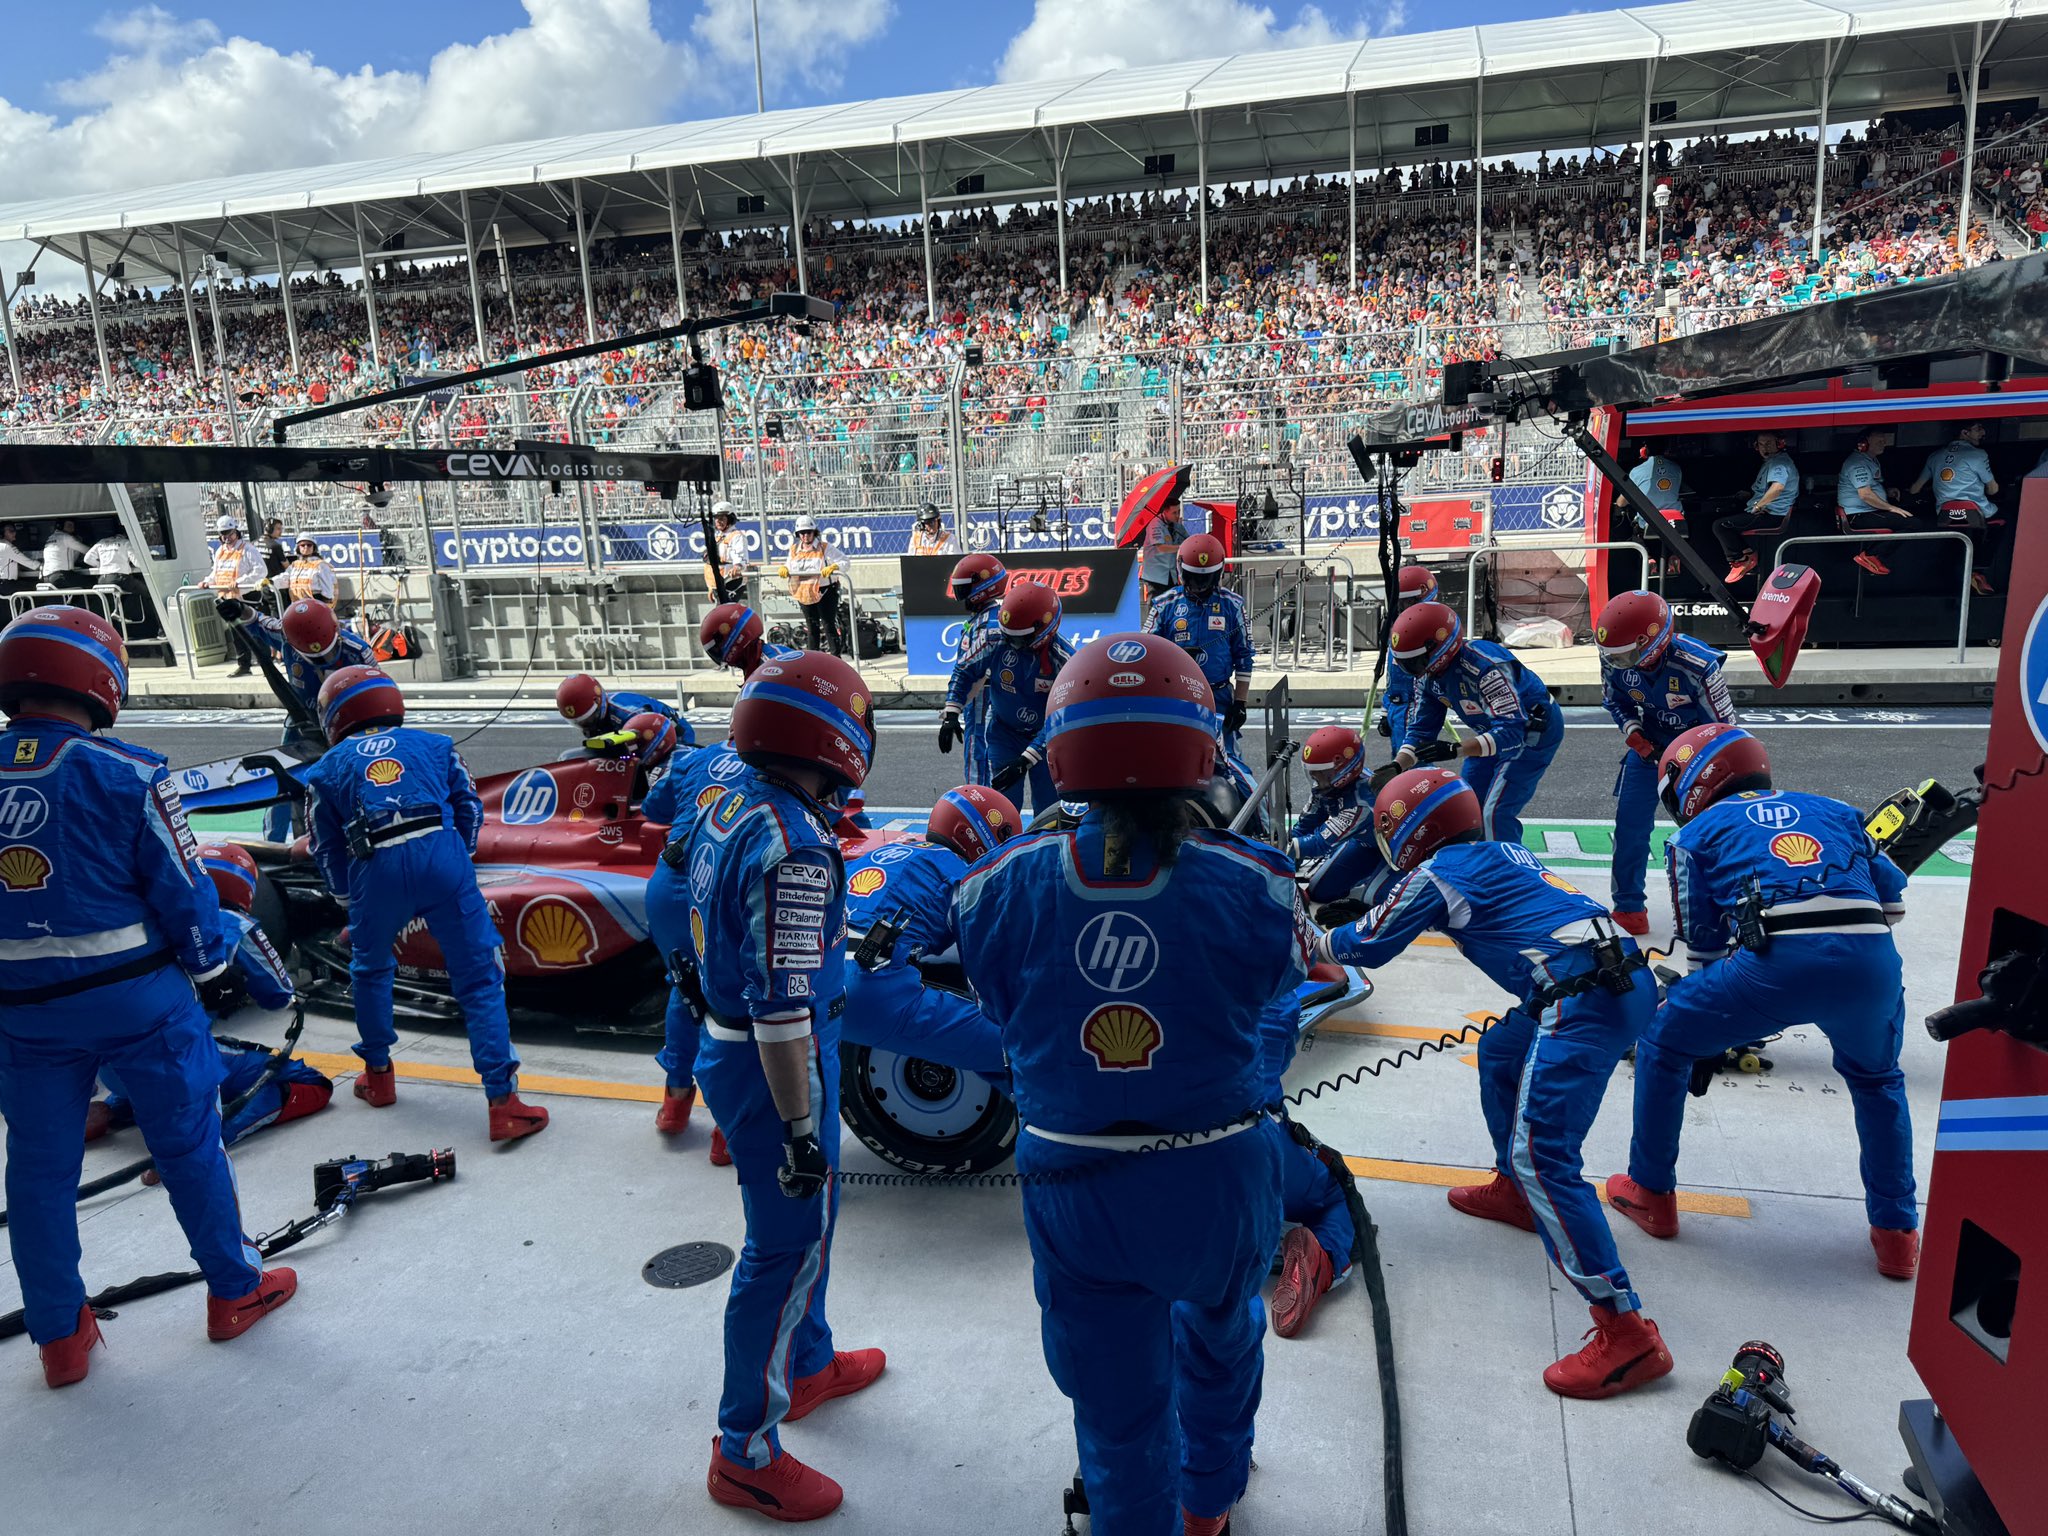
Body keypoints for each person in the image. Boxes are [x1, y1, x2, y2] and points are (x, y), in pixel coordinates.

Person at [951, 631, 1301, 1534]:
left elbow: (1000, 1010)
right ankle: (1211, 1504)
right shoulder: (1258, 882)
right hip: (1220, 1168)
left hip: (1071, 1177)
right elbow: (1281, 1002)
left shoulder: (992, 887)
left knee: (1112, 1403)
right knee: (1223, 1342)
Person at [0, 606, 297, 1387]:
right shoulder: (129, 773)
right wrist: (208, 965)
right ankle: (236, 1292)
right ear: (101, 679)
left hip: (21, 1014)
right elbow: (185, 893)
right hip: (138, 1001)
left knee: (36, 1172)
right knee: (190, 1146)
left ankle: (60, 1341)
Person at [1318, 767, 1670, 1399]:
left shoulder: (1438, 873)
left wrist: (1307, 936)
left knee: (1546, 1158)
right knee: (1501, 1054)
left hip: (1580, 1000)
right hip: (1615, 980)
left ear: (1410, 835)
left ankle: (1626, 1331)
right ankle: (1512, 1193)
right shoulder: (1503, 848)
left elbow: (1367, 942)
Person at [649, 649, 885, 1523]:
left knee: (811, 1231)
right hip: (771, 1057)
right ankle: (743, 1450)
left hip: (737, 1041)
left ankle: (809, 1362)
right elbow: (783, 1009)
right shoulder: (795, 846)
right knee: (781, 1249)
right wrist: (801, 1131)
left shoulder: (724, 792)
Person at [1606, 724, 1918, 1278]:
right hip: (1871, 962)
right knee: (1877, 1081)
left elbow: (1701, 945)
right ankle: (1896, 1234)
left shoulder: (1694, 834)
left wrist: (1707, 1020)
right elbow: (1893, 906)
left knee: (1662, 1042)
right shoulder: (1837, 810)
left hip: (1773, 964)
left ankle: (1651, 1193)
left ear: (1693, 781)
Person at [300, 665, 548, 1142]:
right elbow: (470, 808)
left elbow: (323, 846)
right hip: (442, 858)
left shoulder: (325, 769)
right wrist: (457, 859)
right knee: (478, 980)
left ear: (335, 715)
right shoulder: (436, 745)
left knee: (370, 971)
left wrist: (350, 903)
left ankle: (379, 1076)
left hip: (375, 870)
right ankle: (503, 1102)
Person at [90, 841, 333, 1152]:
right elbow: (278, 994)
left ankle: (116, 1108)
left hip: (110, 1064)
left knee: (149, 1048)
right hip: (175, 1060)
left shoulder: (144, 917)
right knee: (310, 1083)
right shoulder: (234, 924)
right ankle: (208, 1139)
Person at [840, 784, 1016, 1083]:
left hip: (813, 980)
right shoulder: (963, 875)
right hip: (872, 992)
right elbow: (993, 956)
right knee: (1025, 1048)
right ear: (968, 833)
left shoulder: (883, 850)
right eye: (1004, 835)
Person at [1593, 590, 1734, 937]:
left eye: (1625, 655)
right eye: (1611, 655)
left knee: (1709, 832)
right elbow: (1614, 701)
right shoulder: (1615, 660)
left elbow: (1725, 728)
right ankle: (1628, 907)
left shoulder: (1698, 665)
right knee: (1629, 828)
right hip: (1649, 750)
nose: (1617, 661)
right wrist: (1634, 733)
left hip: (1700, 756)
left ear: (1653, 640)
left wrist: (1698, 763)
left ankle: (1724, 905)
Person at [1387, 600, 1562, 847]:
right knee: (1465, 806)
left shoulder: (1485, 667)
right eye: (1405, 663)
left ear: (1439, 647)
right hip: (1491, 731)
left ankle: (1509, 876)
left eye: (1414, 662)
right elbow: (1421, 729)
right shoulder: (1426, 674)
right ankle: (1474, 869)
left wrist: (1455, 749)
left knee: (1495, 814)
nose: (1412, 671)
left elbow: (1513, 732)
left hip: (1532, 732)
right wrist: (1397, 766)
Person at [215, 596, 378, 840]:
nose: (322, 661)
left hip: (346, 724)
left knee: (352, 781)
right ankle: (274, 843)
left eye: (327, 654)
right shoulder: (284, 632)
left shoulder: (360, 653)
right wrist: (238, 608)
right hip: (301, 720)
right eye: (314, 658)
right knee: (282, 778)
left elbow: (378, 695)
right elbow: (256, 620)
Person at [939, 581, 1071, 817]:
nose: (1009, 644)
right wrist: (951, 712)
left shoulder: (1066, 662)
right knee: (1000, 808)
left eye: (1018, 640)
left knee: (1049, 810)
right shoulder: (994, 637)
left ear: (1044, 631)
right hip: (1004, 732)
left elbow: (1061, 717)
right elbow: (965, 669)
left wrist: (1027, 759)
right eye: (1006, 635)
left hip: (1047, 740)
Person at [1144, 532, 1253, 764]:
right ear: (1181, 571)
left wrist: (1240, 703)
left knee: (1232, 764)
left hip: (1219, 697)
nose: (1199, 586)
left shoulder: (1233, 605)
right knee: (1171, 761)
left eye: (1206, 579)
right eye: (1193, 578)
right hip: (1176, 697)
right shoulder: (1164, 605)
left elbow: (1244, 656)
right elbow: (1146, 653)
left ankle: (1252, 801)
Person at [1290, 725, 1395, 913]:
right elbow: (1305, 825)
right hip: (1367, 844)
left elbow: (1318, 844)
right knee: (1319, 892)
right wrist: (1283, 853)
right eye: (1313, 773)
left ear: (1345, 768)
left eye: (1322, 773)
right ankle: (1367, 873)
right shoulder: (1326, 787)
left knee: (1371, 901)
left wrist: (1284, 847)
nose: (1316, 780)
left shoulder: (1363, 800)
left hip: (1396, 852)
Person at [938, 551, 1007, 786]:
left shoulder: (989, 625)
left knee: (979, 759)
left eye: (963, 589)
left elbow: (968, 670)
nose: (960, 596)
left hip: (982, 701)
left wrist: (952, 711)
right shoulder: (985, 618)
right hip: (979, 700)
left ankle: (982, 810)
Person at [1910, 422, 2002, 595]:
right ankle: (1978, 568)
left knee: (1958, 539)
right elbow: (1993, 489)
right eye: (1978, 429)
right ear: (1964, 432)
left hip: (1945, 514)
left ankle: (1961, 572)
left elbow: (1915, 489)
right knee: (2003, 520)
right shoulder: (1978, 455)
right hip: (1976, 513)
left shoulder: (1935, 456)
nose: (1983, 432)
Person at [1715, 432, 1799, 584]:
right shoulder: (1771, 462)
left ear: (1779, 444)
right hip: (1766, 511)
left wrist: (1758, 505)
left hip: (1771, 515)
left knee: (1720, 526)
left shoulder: (1779, 464)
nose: (1764, 447)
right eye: (1761, 444)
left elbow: (1777, 488)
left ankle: (1742, 560)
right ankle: (1747, 555)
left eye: (1768, 443)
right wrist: (1750, 496)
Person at [1835, 429, 1918, 576]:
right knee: (1913, 523)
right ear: (1864, 443)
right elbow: (1865, 495)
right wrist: (1891, 508)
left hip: (1867, 512)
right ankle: (1871, 556)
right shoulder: (1857, 463)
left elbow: (1871, 487)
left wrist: (1886, 492)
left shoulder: (1870, 460)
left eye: (1884, 440)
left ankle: (1873, 558)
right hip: (1858, 516)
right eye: (1879, 440)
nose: (1884, 443)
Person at [1374, 565, 1438, 746]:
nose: (1403, 608)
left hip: (1416, 707)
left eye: (1409, 602)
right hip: (1397, 706)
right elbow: (1391, 675)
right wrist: (1386, 712)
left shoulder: (1432, 632)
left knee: (1415, 762)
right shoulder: (1397, 627)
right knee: (1400, 762)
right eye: (1400, 602)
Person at [554, 673, 694, 751]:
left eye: (588, 719)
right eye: (580, 723)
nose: (586, 726)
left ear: (598, 702)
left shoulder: (630, 713)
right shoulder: (594, 716)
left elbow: (645, 747)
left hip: (670, 736)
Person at [207, 514, 267, 677]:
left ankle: (266, 664)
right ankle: (244, 665)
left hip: (247, 596)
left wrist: (240, 582)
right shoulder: (220, 551)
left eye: (229, 533)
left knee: (256, 631)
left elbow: (261, 571)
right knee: (237, 634)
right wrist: (207, 581)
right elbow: (216, 572)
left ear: (236, 532)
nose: (227, 537)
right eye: (223, 534)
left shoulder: (248, 549)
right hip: (229, 598)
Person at [780, 517, 846, 655]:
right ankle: (813, 658)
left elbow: (845, 561)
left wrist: (835, 566)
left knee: (828, 625)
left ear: (814, 532)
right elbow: (789, 564)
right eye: (802, 533)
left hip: (826, 590)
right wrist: (785, 568)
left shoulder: (824, 547)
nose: (805, 536)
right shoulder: (794, 549)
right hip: (805, 591)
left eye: (808, 532)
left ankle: (835, 658)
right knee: (811, 626)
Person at [1137, 497, 1189, 610]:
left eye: (1179, 511)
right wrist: (1182, 548)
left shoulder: (1177, 526)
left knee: (1173, 606)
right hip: (1156, 575)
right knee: (1156, 608)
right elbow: (1161, 548)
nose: (1177, 515)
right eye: (1174, 512)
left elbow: (1188, 540)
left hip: (1172, 574)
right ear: (1165, 512)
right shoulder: (1155, 525)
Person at [704, 502, 751, 601]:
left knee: (725, 612)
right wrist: (712, 587)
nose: (718, 521)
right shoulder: (717, 537)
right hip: (718, 584)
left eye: (722, 518)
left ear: (730, 519)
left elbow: (740, 555)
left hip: (730, 582)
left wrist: (737, 566)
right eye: (716, 518)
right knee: (723, 613)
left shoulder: (737, 536)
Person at [37, 519, 91, 591]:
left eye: (73, 526)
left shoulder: (50, 538)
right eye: (69, 525)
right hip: (61, 576)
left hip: (47, 578)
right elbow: (86, 550)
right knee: (91, 582)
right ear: (60, 526)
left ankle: (72, 602)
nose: (72, 528)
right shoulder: (66, 537)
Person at [284, 533, 337, 604]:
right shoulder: (294, 565)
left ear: (314, 547)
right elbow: (284, 578)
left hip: (315, 603)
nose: (306, 547)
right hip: (297, 604)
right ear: (298, 548)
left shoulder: (321, 565)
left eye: (309, 545)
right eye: (302, 545)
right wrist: (271, 582)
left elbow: (328, 589)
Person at [0, 522, 36, 594]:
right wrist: (40, 565)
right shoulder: (6, 546)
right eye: (11, 531)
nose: (14, 533)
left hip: (3, 585)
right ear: (2, 532)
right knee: (35, 588)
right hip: (7, 584)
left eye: (14, 531)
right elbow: (25, 561)